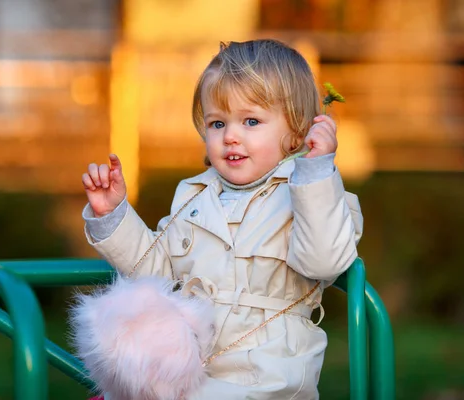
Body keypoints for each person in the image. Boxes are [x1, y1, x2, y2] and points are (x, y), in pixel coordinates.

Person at [79, 39, 363, 399]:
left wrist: (317, 174)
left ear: (297, 130)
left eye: (251, 121)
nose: (230, 135)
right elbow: (158, 275)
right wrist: (114, 215)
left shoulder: (313, 194)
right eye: (217, 123)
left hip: (266, 373)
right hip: (192, 367)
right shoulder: (194, 196)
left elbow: (324, 262)